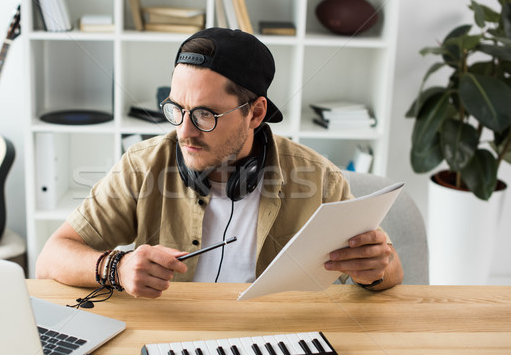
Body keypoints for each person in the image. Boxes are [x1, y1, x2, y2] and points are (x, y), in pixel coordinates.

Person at [36, 28, 404, 298]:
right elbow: (50, 258)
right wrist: (116, 267)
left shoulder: (319, 178)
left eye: (205, 115)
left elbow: (389, 273)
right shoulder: (142, 165)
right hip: (172, 336)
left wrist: (374, 268)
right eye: (176, 110)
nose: (184, 132)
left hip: (276, 339)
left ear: (255, 113)